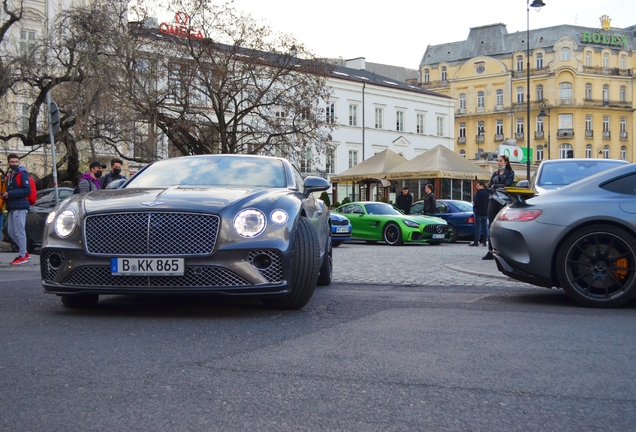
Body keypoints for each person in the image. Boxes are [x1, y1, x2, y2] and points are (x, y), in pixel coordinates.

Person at [483, 155, 515, 260]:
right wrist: (493, 187)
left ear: (506, 162)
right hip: (493, 200)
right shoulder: (495, 174)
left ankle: (503, 250)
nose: (498, 163)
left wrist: (495, 186)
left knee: (503, 224)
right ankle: (490, 250)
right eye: (497, 161)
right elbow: (488, 187)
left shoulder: (510, 173)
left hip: (503, 201)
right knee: (491, 224)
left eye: (500, 161)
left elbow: (507, 185)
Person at [2, 154, 32, 265]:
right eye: (12, 162)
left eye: (16, 161)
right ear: (8, 163)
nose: (14, 163)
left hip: (20, 207)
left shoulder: (22, 174)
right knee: (11, 231)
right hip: (13, 207)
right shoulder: (10, 175)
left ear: (18, 162)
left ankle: (22, 255)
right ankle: (24, 252)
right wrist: (5, 195)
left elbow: (26, 191)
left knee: (19, 232)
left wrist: (9, 194)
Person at [469, 180, 489, 247]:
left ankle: (476, 241)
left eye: (478, 185)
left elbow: (476, 203)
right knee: (485, 227)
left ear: (481, 185)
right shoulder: (487, 193)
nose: (477, 187)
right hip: (485, 212)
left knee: (477, 227)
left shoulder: (477, 194)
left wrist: (474, 207)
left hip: (478, 212)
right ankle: (484, 241)